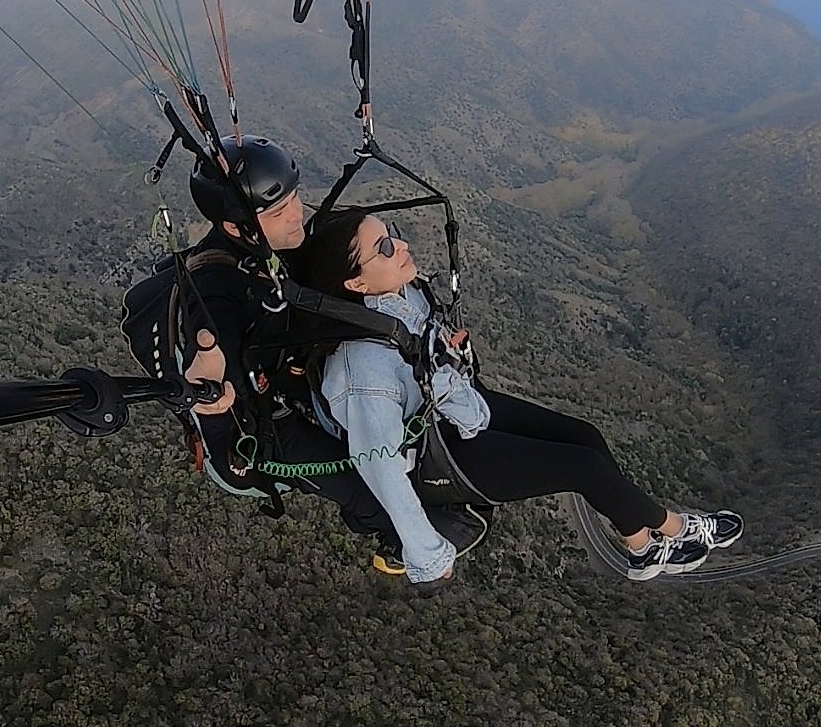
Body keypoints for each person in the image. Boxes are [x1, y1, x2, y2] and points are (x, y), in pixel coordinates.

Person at [295, 207, 744, 588]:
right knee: (581, 467)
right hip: (442, 460)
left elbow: (421, 357)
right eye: (385, 248)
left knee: (584, 436)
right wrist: (428, 556)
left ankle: (641, 546)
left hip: (460, 410)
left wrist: (449, 352)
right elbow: (382, 468)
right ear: (354, 284)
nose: (402, 244)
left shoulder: (398, 297)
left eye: (392, 233)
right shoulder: (362, 371)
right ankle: (675, 527)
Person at [178, 136, 482, 566]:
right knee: (367, 489)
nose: (297, 214)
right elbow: (212, 331)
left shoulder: (278, 242)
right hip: (257, 424)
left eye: (295, 198)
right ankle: (391, 542)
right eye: (281, 211)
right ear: (236, 228)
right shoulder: (214, 286)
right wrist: (212, 366)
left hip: (294, 374)